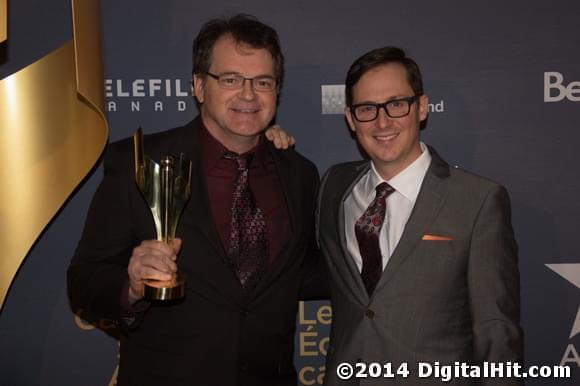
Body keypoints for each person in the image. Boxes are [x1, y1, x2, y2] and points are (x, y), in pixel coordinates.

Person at [67, 14, 323, 386]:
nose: (249, 94)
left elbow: (304, 271)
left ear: (276, 91)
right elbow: (83, 281)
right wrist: (131, 286)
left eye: (263, 82)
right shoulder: (138, 163)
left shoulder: (300, 173)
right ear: (199, 86)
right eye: (231, 79)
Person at [317, 47, 523, 385]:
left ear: (422, 108)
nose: (383, 122)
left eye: (397, 104)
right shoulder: (334, 186)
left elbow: (496, 333)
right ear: (351, 119)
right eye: (367, 108)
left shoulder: (478, 200)